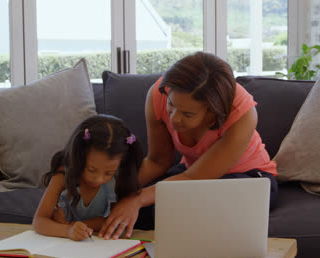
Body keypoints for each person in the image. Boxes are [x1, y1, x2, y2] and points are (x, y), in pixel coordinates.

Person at [99, 51, 278, 240]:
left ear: (212, 113)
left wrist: (137, 199)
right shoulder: (159, 93)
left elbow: (195, 178)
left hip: (249, 178)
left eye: (188, 114)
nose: (174, 118)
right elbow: (157, 160)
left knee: (167, 209)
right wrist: (110, 191)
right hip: (191, 171)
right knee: (119, 206)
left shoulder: (242, 113)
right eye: (172, 106)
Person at [32, 114, 142, 241]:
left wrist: (71, 225)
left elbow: (111, 220)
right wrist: (68, 231)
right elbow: (39, 221)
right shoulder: (63, 175)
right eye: (91, 169)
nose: (99, 179)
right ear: (79, 157)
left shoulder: (118, 180)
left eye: (109, 173)